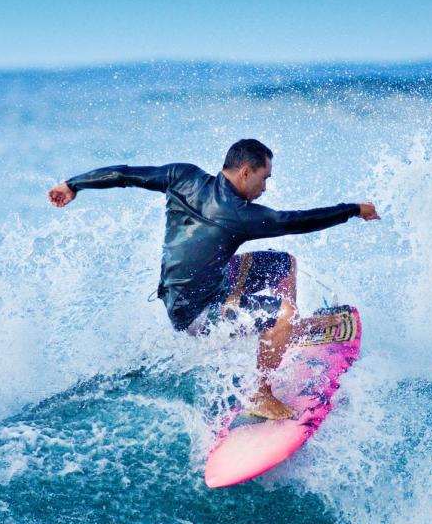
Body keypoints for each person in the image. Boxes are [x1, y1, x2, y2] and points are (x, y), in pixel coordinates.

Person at [48, 139, 379, 420]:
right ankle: (261, 392)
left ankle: (285, 335)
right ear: (246, 172)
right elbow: (299, 221)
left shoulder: (183, 176)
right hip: (197, 313)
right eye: (264, 178)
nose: (265, 188)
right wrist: (352, 209)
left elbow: (125, 175)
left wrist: (73, 184)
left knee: (282, 264)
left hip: (195, 288)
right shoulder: (242, 215)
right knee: (283, 315)